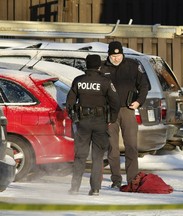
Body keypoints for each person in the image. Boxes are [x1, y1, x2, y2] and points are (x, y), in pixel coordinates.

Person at [66, 54, 120, 196]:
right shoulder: (105, 81)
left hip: (83, 122)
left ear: (86, 65)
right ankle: (95, 188)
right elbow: (115, 102)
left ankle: (74, 188)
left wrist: (74, 118)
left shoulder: (78, 81)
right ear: (98, 66)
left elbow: (70, 102)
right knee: (97, 156)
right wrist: (112, 119)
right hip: (100, 122)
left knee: (80, 156)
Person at [101, 41, 150, 188]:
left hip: (128, 110)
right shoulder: (102, 69)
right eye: (113, 55)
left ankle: (132, 179)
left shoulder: (132, 66)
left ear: (123, 54)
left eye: (119, 55)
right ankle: (116, 180)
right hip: (110, 112)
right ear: (109, 55)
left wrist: (139, 102)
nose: (116, 58)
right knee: (112, 148)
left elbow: (144, 86)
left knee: (131, 146)